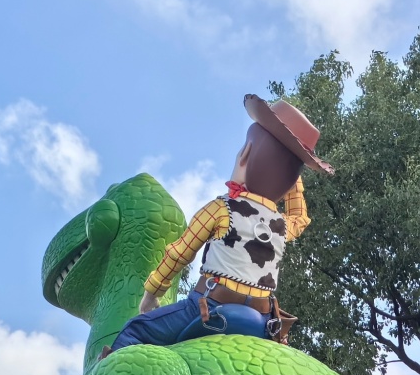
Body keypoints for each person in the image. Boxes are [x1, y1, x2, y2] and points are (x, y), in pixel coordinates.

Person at [110, 96, 332, 351]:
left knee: (134, 329)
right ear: (289, 183)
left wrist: (151, 294)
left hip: (210, 307)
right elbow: (300, 218)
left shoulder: (221, 209)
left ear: (244, 156)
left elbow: (179, 254)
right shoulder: (281, 226)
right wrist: (294, 176)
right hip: (262, 321)